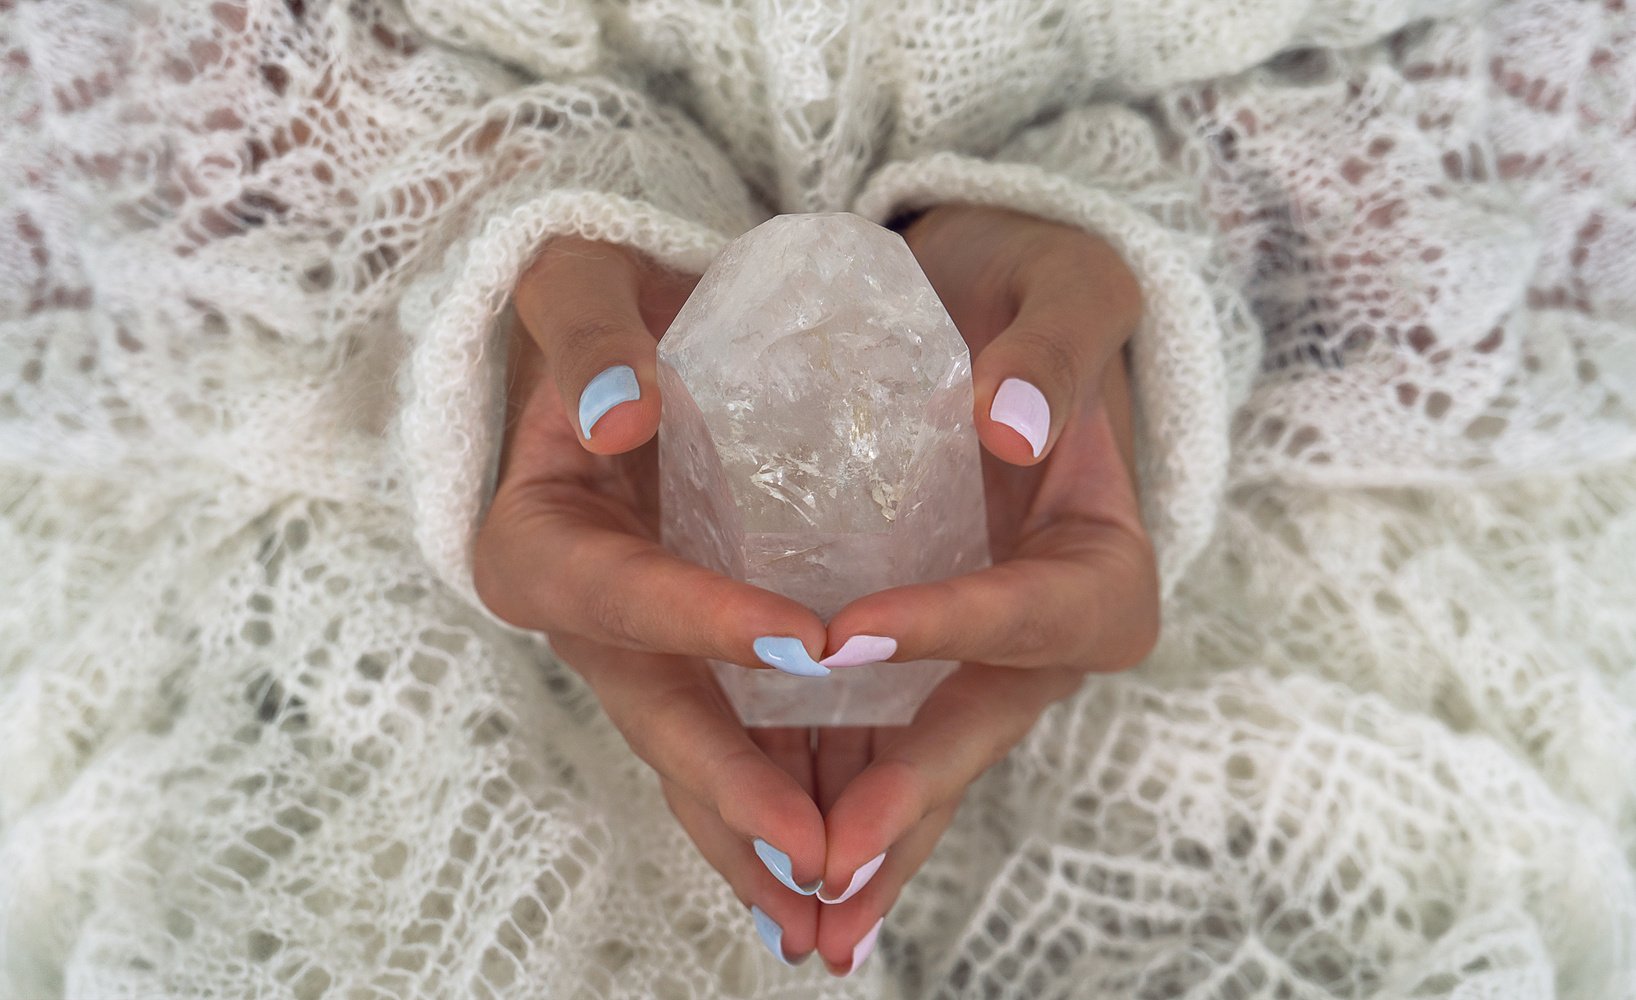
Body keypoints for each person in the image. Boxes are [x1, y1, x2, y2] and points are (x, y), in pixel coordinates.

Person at [1, 0, 1632, 996]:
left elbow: (1567, 122)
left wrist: (1143, 302)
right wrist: (506, 275)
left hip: (1358, 577)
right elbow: (96, 93)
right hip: (290, 569)